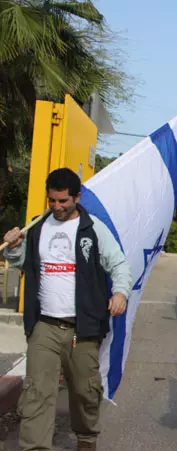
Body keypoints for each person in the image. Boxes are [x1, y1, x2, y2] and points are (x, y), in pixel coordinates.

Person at [3, 168, 132, 451]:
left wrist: (120, 292)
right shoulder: (36, 227)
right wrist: (13, 247)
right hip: (44, 326)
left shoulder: (93, 228)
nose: (57, 207)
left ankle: (86, 438)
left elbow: (119, 265)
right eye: (52, 201)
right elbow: (19, 261)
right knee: (37, 392)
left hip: (83, 327)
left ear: (77, 197)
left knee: (85, 391)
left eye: (63, 201)